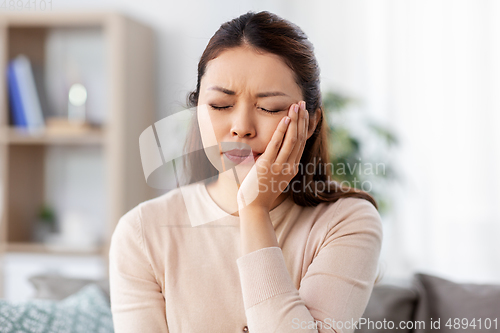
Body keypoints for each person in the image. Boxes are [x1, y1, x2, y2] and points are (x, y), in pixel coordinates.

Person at [109, 10, 383, 333]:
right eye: (220, 106)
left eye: (269, 108)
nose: (241, 128)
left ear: (309, 123)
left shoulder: (347, 222)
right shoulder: (142, 233)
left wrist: (254, 210)